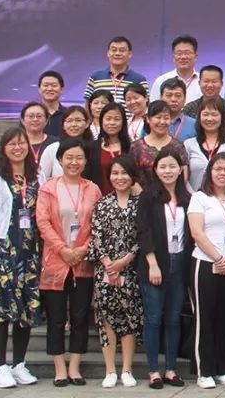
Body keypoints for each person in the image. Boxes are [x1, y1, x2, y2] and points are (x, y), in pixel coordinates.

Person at [0, 127, 42, 389]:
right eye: (12, 144)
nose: (18, 148)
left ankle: (19, 364)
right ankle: (0, 367)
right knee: (3, 310)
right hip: (3, 251)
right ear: (3, 149)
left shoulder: (37, 176)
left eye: (22, 143)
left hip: (30, 251)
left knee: (26, 309)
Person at [36, 138, 102, 386]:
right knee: (55, 317)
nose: (74, 162)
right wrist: (63, 249)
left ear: (86, 161)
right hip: (56, 261)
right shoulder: (48, 189)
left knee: (80, 316)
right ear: (60, 160)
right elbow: (43, 222)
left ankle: (75, 365)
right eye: (69, 158)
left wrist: (83, 249)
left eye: (79, 158)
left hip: (83, 262)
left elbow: (98, 224)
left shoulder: (93, 189)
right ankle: (59, 367)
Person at [136, 146, 191, 389]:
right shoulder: (148, 196)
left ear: (180, 170)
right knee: (153, 318)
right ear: (155, 170)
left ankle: (170, 369)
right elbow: (143, 230)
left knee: (173, 318)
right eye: (163, 167)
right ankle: (153, 371)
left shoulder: (188, 198)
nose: (168, 171)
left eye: (172, 166)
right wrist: (152, 264)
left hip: (179, 263)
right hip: (155, 263)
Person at [188, 152, 225, 389]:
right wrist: (219, 258)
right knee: (204, 318)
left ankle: (223, 369)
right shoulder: (200, 198)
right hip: (205, 263)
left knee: (224, 318)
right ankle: (204, 371)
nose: (222, 173)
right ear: (210, 172)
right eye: (218, 169)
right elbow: (197, 233)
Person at [88, 155, 142, 388]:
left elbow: (143, 236)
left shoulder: (140, 204)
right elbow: (95, 236)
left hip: (130, 270)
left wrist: (126, 260)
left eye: (124, 173)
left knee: (129, 318)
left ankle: (127, 369)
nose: (120, 177)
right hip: (105, 270)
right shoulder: (102, 203)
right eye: (115, 173)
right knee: (107, 318)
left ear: (132, 176)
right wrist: (108, 264)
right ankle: (110, 370)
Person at [183, 97, 225, 192]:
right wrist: (193, 196)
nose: (209, 119)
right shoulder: (189, 145)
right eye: (205, 114)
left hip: (224, 198)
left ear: (222, 118)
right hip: (194, 198)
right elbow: (184, 178)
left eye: (214, 114)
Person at [130, 100, 190, 189]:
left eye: (166, 118)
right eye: (158, 117)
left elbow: (184, 176)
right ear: (148, 119)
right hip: (143, 195)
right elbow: (131, 176)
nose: (162, 122)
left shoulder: (178, 146)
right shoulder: (136, 147)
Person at [83, 35, 149, 112]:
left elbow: (146, 106)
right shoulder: (96, 77)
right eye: (114, 50)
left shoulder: (139, 79)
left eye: (122, 50)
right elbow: (87, 105)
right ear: (108, 53)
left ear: (130, 54)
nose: (117, 53)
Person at [38, 106, 94, 183]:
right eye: (69, 121)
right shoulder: (53, 148)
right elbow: (42, 179)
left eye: (78, 120)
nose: (73, 124)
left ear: (87, 123)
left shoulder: (94, 148)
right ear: (63, 125)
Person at [87, 102, 131, 194]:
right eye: (108, 119)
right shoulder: (91, 148)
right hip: (98, 198)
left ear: (123, 122)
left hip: (126, 198)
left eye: (117, 119)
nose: (112, 123)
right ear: (101, 121)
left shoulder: (131, 148)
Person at [150, 35, 201, 101]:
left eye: (187, 53)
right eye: (179, 53)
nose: (183, 57)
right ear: (173, 57)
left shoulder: (204, 82)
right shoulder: (161, 81)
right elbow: (153, 106)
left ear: (196, 56)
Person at [20, 101, 57, 171]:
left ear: (46, 120)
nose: (35, 119)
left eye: (39, 116)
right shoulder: (17, 144)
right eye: (31, 116)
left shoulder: (56, 143)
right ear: (22, 121)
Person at [38, 70, 66, 136]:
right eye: (45, 85)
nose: (49, 89)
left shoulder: (68, 115)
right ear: (39, 89)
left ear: (61, 89)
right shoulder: (31, 115)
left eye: (54, 85)